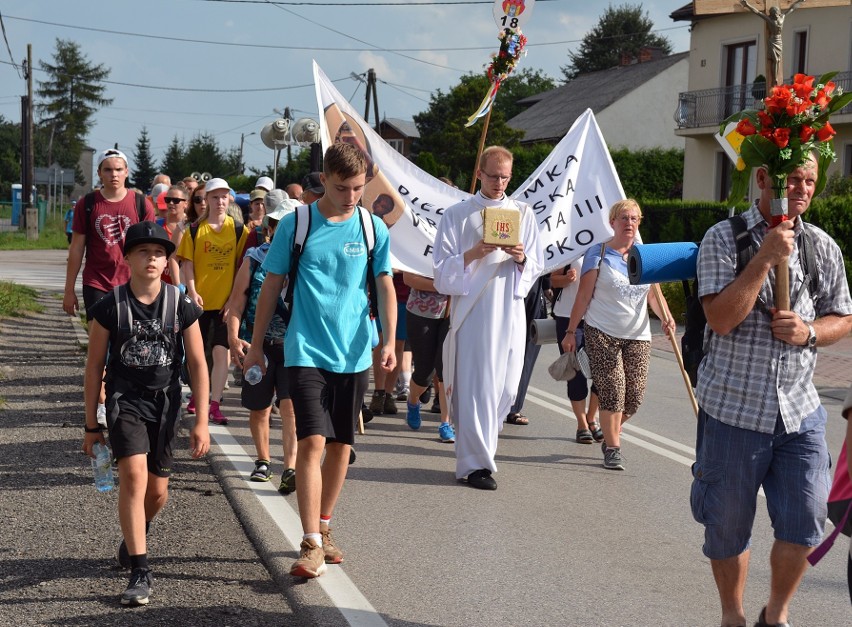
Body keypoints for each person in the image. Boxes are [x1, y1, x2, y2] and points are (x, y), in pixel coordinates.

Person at [690, 155, 852, 627]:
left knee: (806, 522)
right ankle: (733, 615)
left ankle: (775, 615)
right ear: (763, 180)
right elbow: (720, 318)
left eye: (810, 181)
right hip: (733, 411)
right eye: (792, 180)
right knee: (726, 528)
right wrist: (764, 257)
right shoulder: (723, 238)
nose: (802, 189)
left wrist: (811, 333)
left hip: (799, 411)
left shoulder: (822, 246)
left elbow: (843, 316)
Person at [243, 142, 396, 578]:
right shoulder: (298, 224)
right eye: (343, 188)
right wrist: (256, 344)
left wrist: (386, 340)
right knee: (311, 441)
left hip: (353, 352)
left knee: (342, 447)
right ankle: (310, 542)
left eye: (359, 189)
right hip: (304, 348)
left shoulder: (371, 228)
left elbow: (383, 284)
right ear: (324, 180)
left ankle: (325, 528)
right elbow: (270, 286)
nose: (352, 197)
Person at [82, 220, 209, 607]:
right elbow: (93, 367)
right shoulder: (110, 306)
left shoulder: (181, 303)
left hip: (167, 403)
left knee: (157, 492)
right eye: (143, 252)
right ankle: (141, 569)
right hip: (126, 401)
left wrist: (201, 420)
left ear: (167, 260)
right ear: (128, 258)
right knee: (134, 479)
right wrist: (91, 425)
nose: (152, 258)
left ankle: (138, 528)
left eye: (159, 253)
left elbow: (199, 365)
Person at [432, 145, 543, 491]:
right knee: (478, 387)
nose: (499, 183)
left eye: (505, 177)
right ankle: (475, 465)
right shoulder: (458, 215)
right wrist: (475, 252)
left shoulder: (522, 213)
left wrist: (522, 257)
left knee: (506, 389)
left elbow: (537, 266)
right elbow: (440, 271)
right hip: (474, 311)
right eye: (493, 176)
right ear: (479, 173)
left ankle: (481, 452)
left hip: (509, 310)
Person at [562, 199, 675, 471]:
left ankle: (608, 427)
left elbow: (654, 294)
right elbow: (584, 295)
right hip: (602, 331)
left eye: (634, 218)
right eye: (623, 218)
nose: (629, 223)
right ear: (612, 222)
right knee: (613, 391)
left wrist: (667, 318)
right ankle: (613, 447)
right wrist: (570, 331)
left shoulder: (644, 255)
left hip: (638, 335)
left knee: (634, 397)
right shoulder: (598, 253)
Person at [64, 148, 156, 425]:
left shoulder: (141, 204)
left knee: (129, 343)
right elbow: (77, 247)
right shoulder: (88, 203)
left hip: (132, 283)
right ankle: (102, 403)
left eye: (118, 169)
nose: (113, 175)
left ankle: (128, 396)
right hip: (97, 282)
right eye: (108, 169)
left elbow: (153, 249)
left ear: (126, 172)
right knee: (99, 345)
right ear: (100, 173)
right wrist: (69, 289)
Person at [226, 200, 299, 491]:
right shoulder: (254, 258)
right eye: (279, 225)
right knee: (259, 408)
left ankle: (291, 467)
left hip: (294, 345)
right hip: (257, 344)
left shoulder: (306, 260)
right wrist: (233, 338)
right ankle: (263, 461)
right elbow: (236, 303)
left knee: (290, 407)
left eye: (290, 227)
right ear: (270, 228)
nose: (284, 231)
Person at [176, 177, 248, 425]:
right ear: (206, 200)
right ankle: (198, 396)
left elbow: (242, 268)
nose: (220, 201)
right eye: (215, 197)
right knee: (198, 355)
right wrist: (192, 291)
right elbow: (187, 264)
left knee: (220, 353)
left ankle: (214, 404)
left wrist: (233, 300)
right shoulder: (195, 230)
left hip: (226, 305)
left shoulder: (239, 230)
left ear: (230, 199)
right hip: (199, 303)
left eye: (224, 196)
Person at [551, 257, 601, 444]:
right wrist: (566, 279)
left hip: (600, 315)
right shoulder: (573, 243)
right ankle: (582, 424)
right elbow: (553, 279)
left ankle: (591, 417)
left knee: (602, 371)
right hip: (568, 316)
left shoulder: (607, 243)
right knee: (576, 372)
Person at [402, 271, 454, 442]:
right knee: (424, 373)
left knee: (445, 368)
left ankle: (445, 423)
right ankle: (413, 400)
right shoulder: (422, 243)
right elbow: (408, 279)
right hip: (421, 311)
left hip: (454, 313)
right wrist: (444, 285)